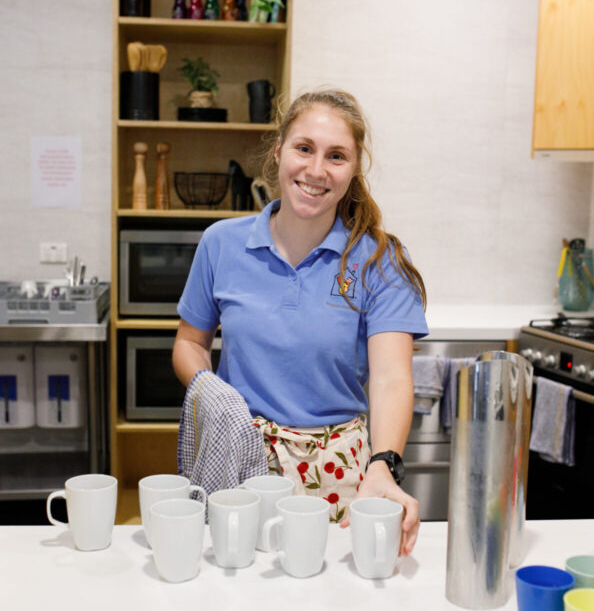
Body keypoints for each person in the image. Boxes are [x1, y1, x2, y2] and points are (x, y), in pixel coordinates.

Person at [172, 89, 428, 556]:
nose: (316, 170)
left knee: (330, 606)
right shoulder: (221, 244)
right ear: (279, 152)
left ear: (353, 171)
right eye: (304, 148)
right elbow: (190, 344)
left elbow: (392, 378)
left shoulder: (380, 260)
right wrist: (221, 400)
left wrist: (383, 465)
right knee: (236, 597)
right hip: (239, 459)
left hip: (342, 474)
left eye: (336, 156)